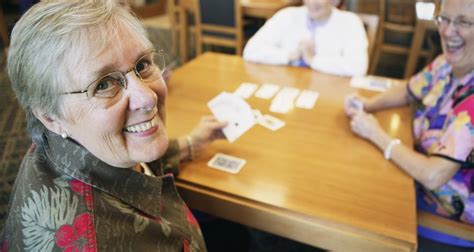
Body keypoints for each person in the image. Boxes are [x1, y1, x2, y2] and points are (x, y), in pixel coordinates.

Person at [0, 0, 228, 250]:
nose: (148, 97)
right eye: (104, 84)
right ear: (51, 118)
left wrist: (189, 144)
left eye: (142, 65)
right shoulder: (97, 242)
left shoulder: (70, 143)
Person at [345, 0, 473, 248]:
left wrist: (376, 134)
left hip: (443, 222)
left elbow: (433, 175)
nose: (447, 31)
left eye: (464, 22)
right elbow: (408, 89)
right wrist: (368, 104)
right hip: (410, 181)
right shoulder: (446, 63)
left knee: (351, 208)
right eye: (444, 19)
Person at [243, 0, 368, 77]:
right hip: (287, 86)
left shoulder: (350, 22)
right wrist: (289, 55)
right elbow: (251, 51)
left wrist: (313, 60)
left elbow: (358, 67)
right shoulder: (287, 15)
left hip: (328, 93)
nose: (311, 2)